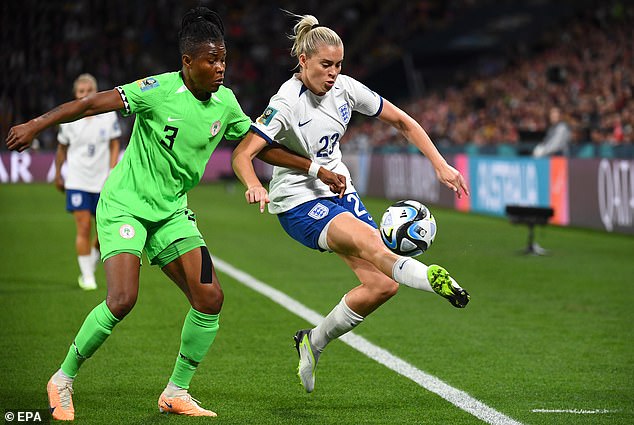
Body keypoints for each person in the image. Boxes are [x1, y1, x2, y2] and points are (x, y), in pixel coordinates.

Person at [6, 7, 345, 420]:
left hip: (171, 212)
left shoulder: (226, 103)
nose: (220, 68)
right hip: (126, 205)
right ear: (187, 62)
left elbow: (260, 146)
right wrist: (37, 124)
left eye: (224, 60)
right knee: (122, 299)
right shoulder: (157, 89)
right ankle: (62, 379)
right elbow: (94, 103)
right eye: (211, 60)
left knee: (210, 297)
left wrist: (314, 168)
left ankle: (176, 391)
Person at [231, 13, 471, 394]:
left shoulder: (345, 89)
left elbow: (403, 121)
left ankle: (313, 341)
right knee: (371, 245)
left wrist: (440, 164)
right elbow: (244, 153)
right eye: (326, 65)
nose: (333, 73)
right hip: (298, 201)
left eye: (339, 64)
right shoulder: (286, 102)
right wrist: (252, 185)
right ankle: (433, 279)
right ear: (303, 61)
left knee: (382, 285)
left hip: (340, 190)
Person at [54, 73, 121, 290]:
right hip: (77, 180)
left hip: (103, 181)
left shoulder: (108, 116)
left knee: (104, 230)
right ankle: (87, 276)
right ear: (76, 94)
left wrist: (112, 170)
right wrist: (58, 173)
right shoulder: (68, 120)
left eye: (89, 91)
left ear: (95, 92)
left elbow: (114, 144)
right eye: (81, 92)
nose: (84, 95)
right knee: (83, 227)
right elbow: (61, 149)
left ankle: (90, 262)